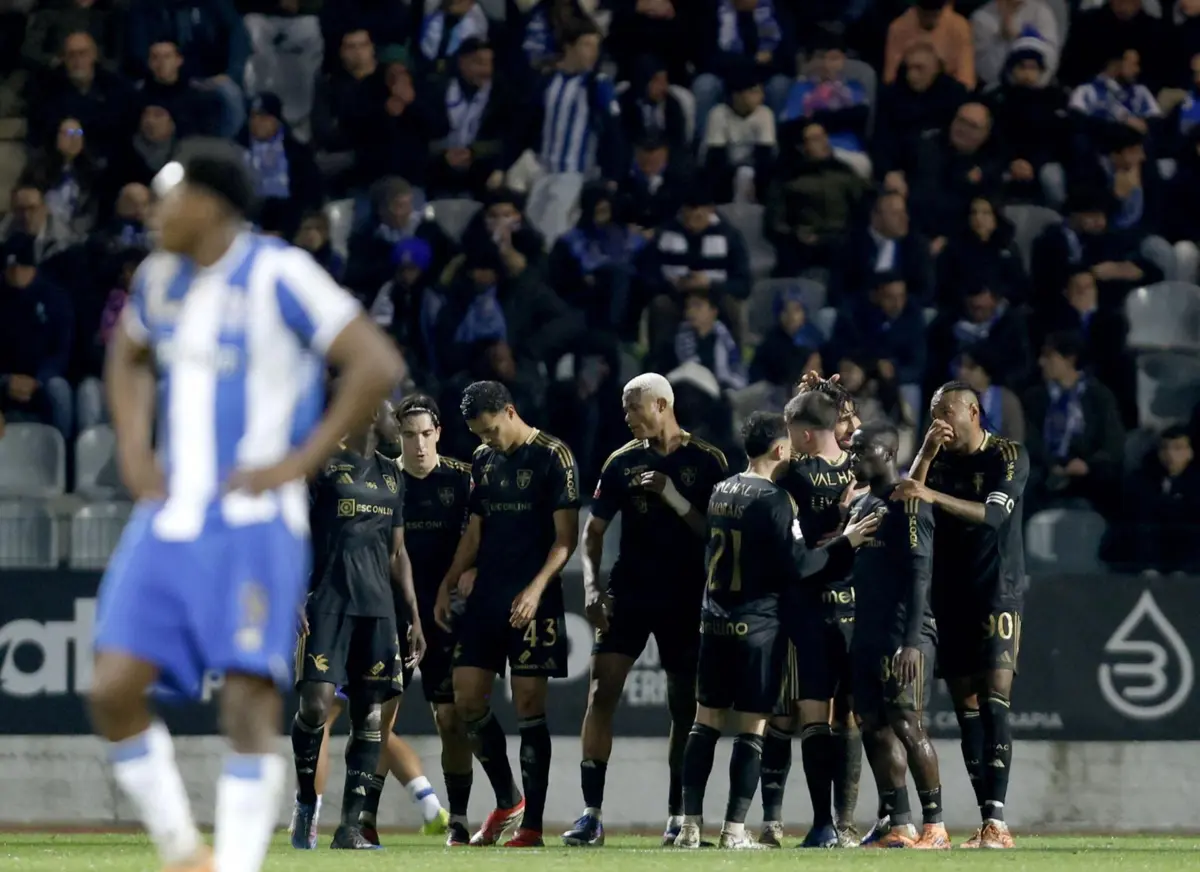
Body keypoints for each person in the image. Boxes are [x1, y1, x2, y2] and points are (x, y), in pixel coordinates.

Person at [89, 138, 403, 872]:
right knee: (110, 688)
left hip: (255, 523)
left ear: (210, 203)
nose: (155, 210)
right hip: (169, 517)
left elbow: (374, 361)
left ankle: (231, 865)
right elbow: (126, 355)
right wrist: (134, 448)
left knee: (249, 703)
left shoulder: (280, 273)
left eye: (169, 195)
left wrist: (301, 459)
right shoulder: (159, 279)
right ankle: (180, 848)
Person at [675, 412, 879, 849]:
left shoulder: (721, 490)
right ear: (778, 449)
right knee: (752, 727)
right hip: (757, 625)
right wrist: (848, 539)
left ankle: (689, 825)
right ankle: (733, 830)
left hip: (713, 620)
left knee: (704, 722)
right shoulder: (775, 500)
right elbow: (799, 565)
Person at [563, 373, 728, 847]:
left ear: (661, 405)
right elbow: (592, 532)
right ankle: (591, 814)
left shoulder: (707, 460)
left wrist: (673, 498)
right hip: (629, 594)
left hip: (684, 598)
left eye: (633, 407)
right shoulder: (621, 462)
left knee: (684, 707)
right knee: (601, 694)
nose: (627, 416)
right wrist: (592, 589)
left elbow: (714, 534)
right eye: (624, 408)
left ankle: (678, 816)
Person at [433, 381, 581, 848]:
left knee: (529, 706)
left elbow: (565, 540)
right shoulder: (483, 460)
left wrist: (536, 590)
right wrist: (449, 579)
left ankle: (533, 826)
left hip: (534, 600)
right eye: (478, 434)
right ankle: (508, 800)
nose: (486, 440)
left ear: (511, 412)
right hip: (487, 598)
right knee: (467, 697)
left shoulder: (554, 456)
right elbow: (474, 533)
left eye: (491, 430)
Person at [897, 381, 1030, 850]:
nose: (940, 421)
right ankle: (984, 823)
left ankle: (998, 822)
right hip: (949, 595)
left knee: (995, 699)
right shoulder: (939, 457)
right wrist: (927, 453)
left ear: (973, 412)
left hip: (998, 591)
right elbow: (907, 493)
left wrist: (934, 496)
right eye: (933, 412)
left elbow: (994, 517)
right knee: (966, 710)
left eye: (946, 412)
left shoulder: (1008, 455)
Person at [289, 400, 420, 850]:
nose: (396, 424)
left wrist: (413, 616)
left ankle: (350, 827)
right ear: (367, 417)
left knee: (369, 714)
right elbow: (292, 530)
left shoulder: (392, 473)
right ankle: (306, 801)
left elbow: (398, 553)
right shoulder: (323, 463)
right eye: (390, 416)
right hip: (326, 600)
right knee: (315, 706)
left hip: (378, 608)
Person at [760, 390, 863, 849]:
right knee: (850, 718)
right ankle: (846, 822)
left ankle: (821, 824)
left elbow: (792, 553)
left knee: (809, 716)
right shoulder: (862, 467)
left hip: (806, 607)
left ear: (802, 434)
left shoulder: (791, 475)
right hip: (857, 605)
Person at [845, 421, 949, 850]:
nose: (853, 458)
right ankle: (898, 821)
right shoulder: (860, 505)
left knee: (907, 724)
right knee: (872, 726)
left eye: (861, 450)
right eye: (851, 450)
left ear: (887, 454)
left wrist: (911, 640)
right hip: (866, 633)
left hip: (903, 637)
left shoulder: (908, 501)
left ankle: (936, 826)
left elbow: (919, 572)